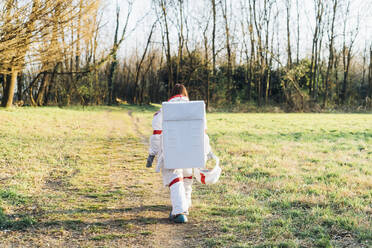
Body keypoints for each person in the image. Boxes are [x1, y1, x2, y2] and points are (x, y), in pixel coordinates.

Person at [146, 84, 210, 223]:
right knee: (187, 175)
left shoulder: (163, 111)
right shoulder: (197, 110)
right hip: (193, 152)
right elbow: (203, 135)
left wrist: (152, 154)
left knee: (175, 177)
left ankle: (180, 211)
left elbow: (156, 136)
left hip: (171, 153)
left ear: (172, 94)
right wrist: (205, 153)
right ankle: (186, 202)